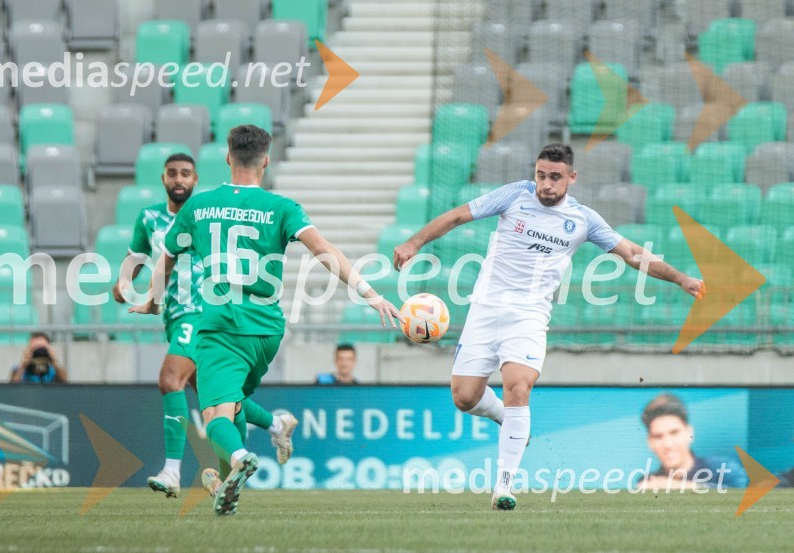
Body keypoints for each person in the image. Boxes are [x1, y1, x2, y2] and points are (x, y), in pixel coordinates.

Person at [393, 143, 705, 510]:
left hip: (528, 316)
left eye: (555, 177)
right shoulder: (514, 195)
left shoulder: (584, 219)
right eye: (541, 175)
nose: (546, 184)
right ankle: (502, 416)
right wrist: (415, 242)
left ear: (571, 178)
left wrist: (681, 278)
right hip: (485, 309)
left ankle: (504, 486)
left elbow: (633, 254)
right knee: (464, 398)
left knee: (518, 387)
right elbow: (459, 216)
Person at [130, 125, 399, 515]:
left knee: (215, 414)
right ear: (266, 161)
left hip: (220, 323)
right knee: (234, 402)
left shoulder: (199, 206)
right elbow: (323, 250)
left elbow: (167, 257)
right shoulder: (282, 207)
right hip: (268, 329)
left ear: (227, 158)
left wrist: (154, 301)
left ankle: (239, 458)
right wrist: (370, 294)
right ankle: (228, 489)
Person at [114, 153, 296, 500]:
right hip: (173, 313)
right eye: (172, 174)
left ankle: (172, 471)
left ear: (196, 179)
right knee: (223, 401)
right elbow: (137, 257)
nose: (178, 179)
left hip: (203, 312)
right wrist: (122, 283)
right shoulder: (149, 218)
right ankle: (275, 424)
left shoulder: (205, 213)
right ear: (163, 178)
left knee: (170, 379)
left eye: (185, 174)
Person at [637, 393, 747, 490]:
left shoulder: (724, 468)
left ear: (689, 433)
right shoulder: (648, 482)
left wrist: (676, 486)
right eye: (658, 436)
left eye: (674, 433)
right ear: (649, 442)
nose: (667, 444)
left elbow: (742, 497)